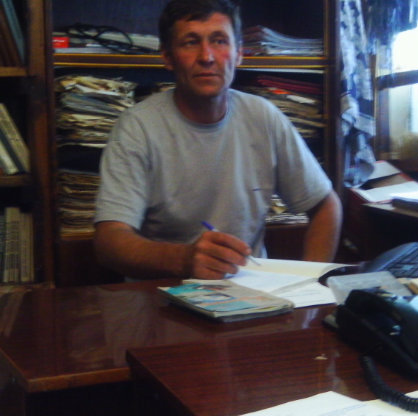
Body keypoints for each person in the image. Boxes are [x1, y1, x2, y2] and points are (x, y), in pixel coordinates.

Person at [93, 0, 342, 280]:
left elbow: (326, 206)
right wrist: (182, 260)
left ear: (239, 54)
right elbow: (109, 242)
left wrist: (309, 284)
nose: (207, 56)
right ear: (168, 57)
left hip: (253, 292)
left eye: (219, 41)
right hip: (163, 294)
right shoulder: (137, 127)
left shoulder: (263, 116)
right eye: (190, 42)